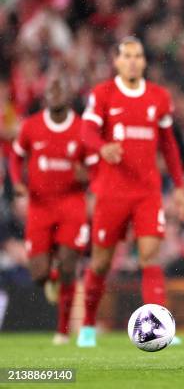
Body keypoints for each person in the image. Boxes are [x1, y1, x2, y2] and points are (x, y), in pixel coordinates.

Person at [77, 36, 184, 347]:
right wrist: (103, 148)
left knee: (150, 258)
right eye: (126, 55)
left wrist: (179, 186)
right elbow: (86, 131)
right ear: (116, 61)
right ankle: (87, 325)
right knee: (100, 263)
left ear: (144, 61)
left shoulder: (159, 97)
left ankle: (160, 327)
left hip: (147, 192)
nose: (132, 61)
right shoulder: (103, 94)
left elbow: (168, 144)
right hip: (111, 192)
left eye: (137, 56)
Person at [10, 74, 95, 345]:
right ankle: (51, 276)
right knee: (39, 274)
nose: (55, 92)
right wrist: (17, 183)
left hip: (72, 205)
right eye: (51, 89)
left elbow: (97, 167)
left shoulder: (83, 129)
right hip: (40, 207)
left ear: (70, 96)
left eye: (61, 88)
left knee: (70, 266)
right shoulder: (31, 127)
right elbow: (15, 156)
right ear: (44, 95)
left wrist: (88, 176)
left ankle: (62, 330)